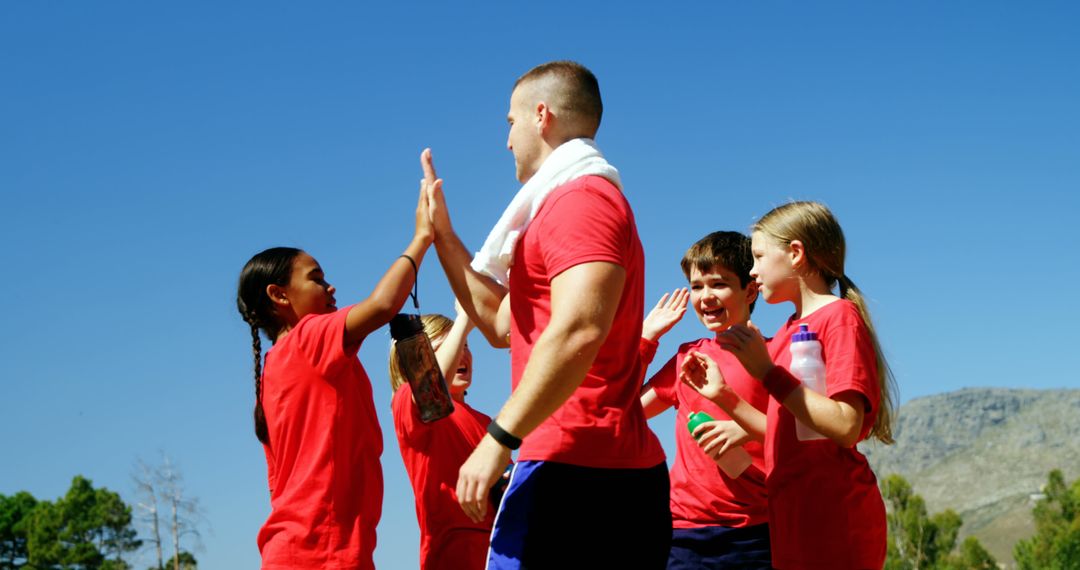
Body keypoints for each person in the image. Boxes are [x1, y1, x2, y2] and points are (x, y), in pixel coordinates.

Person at [421, 60, 670, 568]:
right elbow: (498, 325)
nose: (506, 141)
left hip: (576, 468)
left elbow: (580, 329)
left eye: (509, 123)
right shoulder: (563, 206)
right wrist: (442, 237)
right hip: (587, 466)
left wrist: (498, 437)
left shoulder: (583, 200)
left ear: (541, 116)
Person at [681, 201, 896, 569]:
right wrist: (725, 397)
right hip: (793, 517)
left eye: (759, 256)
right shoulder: (786, 331)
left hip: (834, 517)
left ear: (795, 253)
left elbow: (846, 426)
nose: (752, 270)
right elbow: (786, 433)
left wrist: (766, 372)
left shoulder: (839, 316)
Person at [235, 184, 433, 570]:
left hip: (309, 551)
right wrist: (423, 237)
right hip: (321, 553)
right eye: (316, 278)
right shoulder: (308, 338)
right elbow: (382, 305)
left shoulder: (277, 369)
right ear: (279, 295)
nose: (330, 287)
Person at [637, 231, 772, 569]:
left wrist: (744, 429)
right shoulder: (687, 358)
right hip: (685, 532)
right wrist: (645, 339)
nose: (705, 296)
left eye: (719, 284)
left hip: (759, 532)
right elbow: (626, 411)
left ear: (751, 289)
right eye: (697, 286)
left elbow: (804, 431)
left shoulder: (774, 356)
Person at [388, 307, 500, 570]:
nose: (462, 353)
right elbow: (429, 388)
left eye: (466, 345)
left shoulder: (487, 422)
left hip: (496, 551)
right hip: (450, 553)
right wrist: (464, 319)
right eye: (450, 346)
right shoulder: (406, 402)